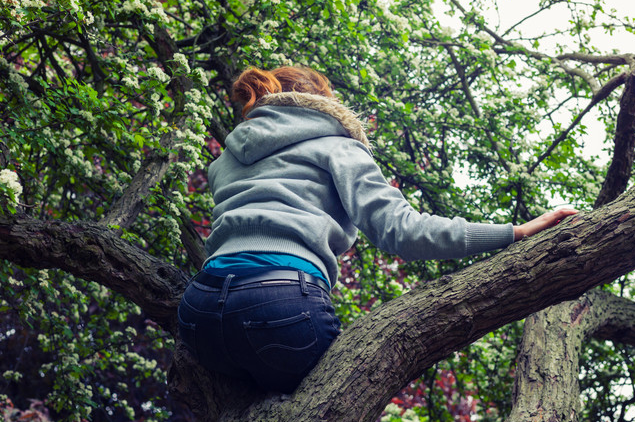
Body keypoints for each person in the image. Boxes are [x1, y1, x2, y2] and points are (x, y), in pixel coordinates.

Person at [177, 66, 577, 394]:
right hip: (282, 307)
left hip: (200, 317)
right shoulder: (338, 146)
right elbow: (403, 232)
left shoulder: (226, 158)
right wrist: (516, 232)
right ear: (323, 103)